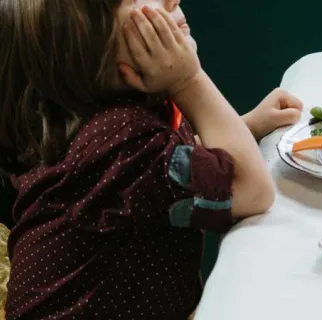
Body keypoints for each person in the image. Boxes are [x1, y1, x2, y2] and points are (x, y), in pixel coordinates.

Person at [0, 0, 303, 319]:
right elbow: (251, 190)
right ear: (85, 46)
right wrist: (190, 81)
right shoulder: (122, 139)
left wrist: (248, 124)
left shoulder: (107, 124)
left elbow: (171, 163)